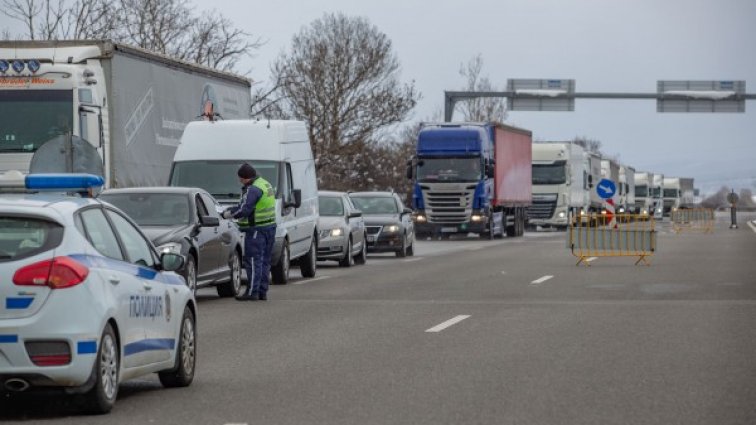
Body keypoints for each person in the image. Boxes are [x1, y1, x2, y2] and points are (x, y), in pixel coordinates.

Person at [223, 163, 277, 301]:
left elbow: (245, 210)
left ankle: (252, 292)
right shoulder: (265, 184)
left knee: (253, 260)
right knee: (265, 261)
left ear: (246, 177)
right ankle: (262, 291)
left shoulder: (253, 189)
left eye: (240, 178)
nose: (240, 181)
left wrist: (229, 215)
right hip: (269, 227)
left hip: (256, 230)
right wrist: (233, 208)